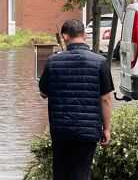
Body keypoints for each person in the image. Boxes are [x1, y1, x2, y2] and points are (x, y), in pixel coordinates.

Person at [39, 19, 114, 180]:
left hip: (61, 130)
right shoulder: (100, 62)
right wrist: (106, 129)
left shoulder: (52, 61)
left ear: (65, 37)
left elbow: (43, 93)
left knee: (60, 174)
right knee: (81, 175)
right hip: (88, 131)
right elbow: (106, 99)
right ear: (85, 36)